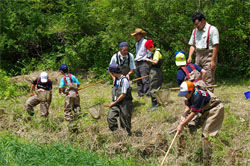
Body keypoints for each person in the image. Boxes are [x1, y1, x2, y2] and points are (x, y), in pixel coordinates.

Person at [177, 81, 224, 165]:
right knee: (189, 126)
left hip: (214, 109)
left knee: (206, 136)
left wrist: (181, 124)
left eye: (185, 93)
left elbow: (193, 113)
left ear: (190, 91)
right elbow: (188, 105)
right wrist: (184, 115)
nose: (184, 95)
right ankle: (181, 154)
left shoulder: (198, 96)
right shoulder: (191, 94)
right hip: (204, 110)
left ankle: (207, 162)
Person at [187, 13, 219, 92]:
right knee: (196, 77)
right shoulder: (195, 31)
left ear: (203, 21)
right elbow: (192, 45)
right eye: (195, 25)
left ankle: (210, 100)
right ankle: (199, 98)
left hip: (209, 55)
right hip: (198, 55)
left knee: (208, 79)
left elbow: (215, 46)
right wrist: (190, 56)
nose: (196, 26)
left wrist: (212, 60)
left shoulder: (212, 29)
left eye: (197, 24)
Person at [105, 64, 133, 136]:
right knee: (110, 118)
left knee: (125, 121)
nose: (110, 74)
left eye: (111, 72)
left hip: (125, 103)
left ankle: (127, 136)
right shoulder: (116, 80)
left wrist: (114, 103)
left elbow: (123, 94)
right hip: (116, 103)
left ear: (113, 72)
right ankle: (117, 134)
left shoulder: (124, 80)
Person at [131, 28, 152, 97]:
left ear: (140, 35)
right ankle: (140, 94)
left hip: (144, 62)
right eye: (135, 35)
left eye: (136, 35)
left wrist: (148, 59)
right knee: (138, 79)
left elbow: (150, 51)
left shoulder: (146, 42)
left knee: (145, 79)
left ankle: (147, 93)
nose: (135, 37)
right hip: (138, 62)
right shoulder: (137, 44)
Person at [144, 40, 163, 111]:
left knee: (154, 88)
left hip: (156, 72)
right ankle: (157, 103)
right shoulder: (155, 52)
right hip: (156, 71)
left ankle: (156, 105)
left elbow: (155, 62)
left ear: (152, 46)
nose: (149, 50)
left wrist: (148, 60)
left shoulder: (157, 52)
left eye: (149, 48)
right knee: (154, 87)